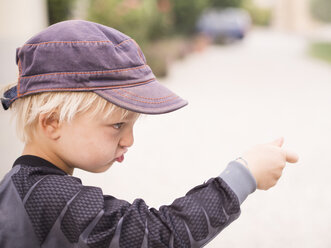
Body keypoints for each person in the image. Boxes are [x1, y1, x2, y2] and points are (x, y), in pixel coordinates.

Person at [0, 20, 298, 248]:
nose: (129, 140)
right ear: (51, 122)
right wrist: (244, 175)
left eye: (132, 125)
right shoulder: (48, 198)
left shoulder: (24, 189)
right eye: (117, 125)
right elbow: (159, 236)